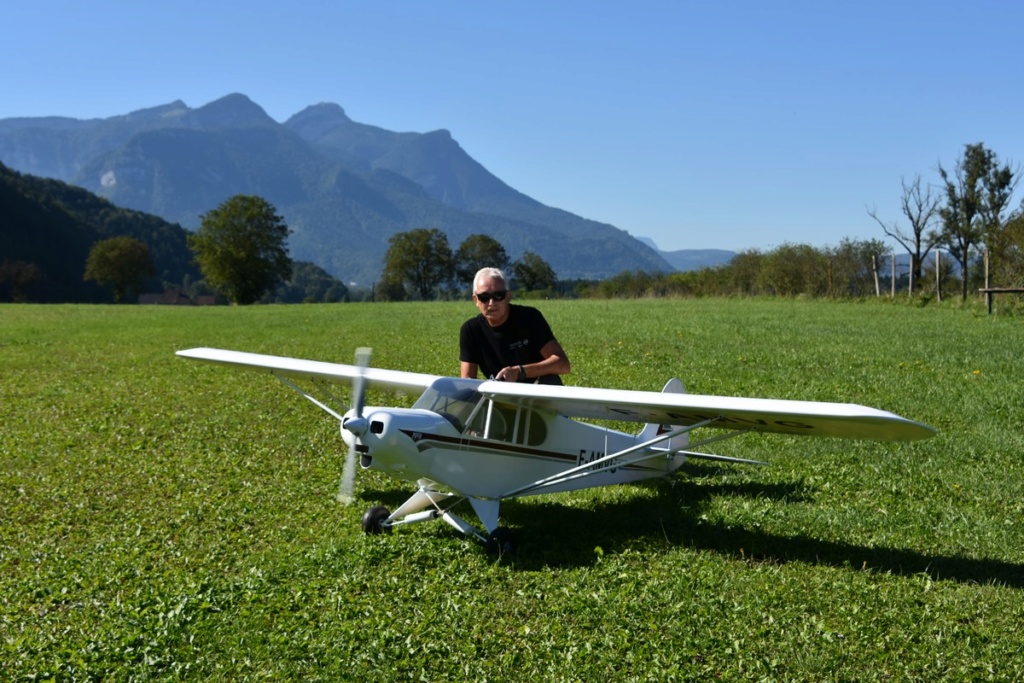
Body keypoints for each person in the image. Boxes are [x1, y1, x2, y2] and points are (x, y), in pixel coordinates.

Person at [459, 267, 570, 385]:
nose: (491, 303)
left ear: (508, 296)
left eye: (498, 295)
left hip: (539, 390)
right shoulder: (471, 330)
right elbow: (467, 382)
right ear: (475, 300)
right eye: (484, 297)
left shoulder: (529, 317)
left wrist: (520, 371)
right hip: (500, 395)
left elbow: (562, 364)